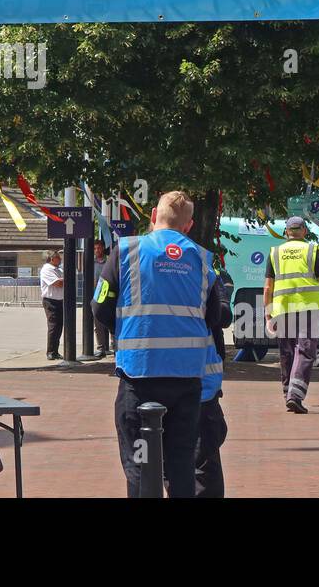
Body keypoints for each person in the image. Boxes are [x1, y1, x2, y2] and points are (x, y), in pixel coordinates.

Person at [93, 190, 215, 498]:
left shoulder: (126, 250)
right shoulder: (201, 258)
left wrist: (126, 332)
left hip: (139, 376)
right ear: (188, 226)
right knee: (181, 463)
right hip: (187, 379)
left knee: (140, 462)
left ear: (152, 216)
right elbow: (214, 316)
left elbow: (100, 307)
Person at [264, 216, 319, 413]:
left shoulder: (275, 252)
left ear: (287, 232)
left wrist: (268, 315)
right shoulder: (312, 250)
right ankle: (295, 395)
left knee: (287, 352)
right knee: (305, 351)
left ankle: (288, 391)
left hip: (282, 309)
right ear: (304, 231)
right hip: (308, 307)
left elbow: (268, 288)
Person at [194, 264, 231, 498]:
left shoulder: (135, 264)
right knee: (203, 459)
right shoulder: (204, 270)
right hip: (202, 385)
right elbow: (223, 316)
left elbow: (103, 311)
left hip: (146, 379)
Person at [40, 249, 65, 360]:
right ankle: (50, 351)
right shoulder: (47, 269)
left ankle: (55, 350)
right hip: (51, 301)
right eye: (58, 258)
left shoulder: (58, 269)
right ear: (52, 259)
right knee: (53, 326)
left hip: (60, 300)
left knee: (59, 326)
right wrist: (66, 279)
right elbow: (58, 283)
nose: (60, 259)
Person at [92, 239, 112, 356]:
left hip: (108, 295)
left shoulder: (109, 261)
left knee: (110, 322)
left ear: (103, 248)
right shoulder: (90, 261)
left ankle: (113, 346)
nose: (97, 250)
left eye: (98, 248)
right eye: (95, 248)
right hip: (95, 295)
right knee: (98, 323)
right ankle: (101, 348)